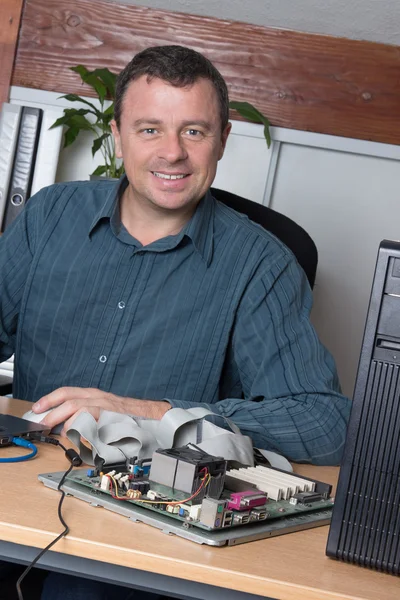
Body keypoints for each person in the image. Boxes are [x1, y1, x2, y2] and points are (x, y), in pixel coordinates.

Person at [0, 45, 351, 599]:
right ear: (117, 135)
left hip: (144, 520)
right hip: (20, 486)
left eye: (193, 131)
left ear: (222, 139)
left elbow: (327, 421)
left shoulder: (260, 263)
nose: (172, 153)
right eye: (149, 130)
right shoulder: (50, 215)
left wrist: (157, 414)